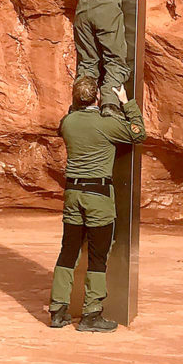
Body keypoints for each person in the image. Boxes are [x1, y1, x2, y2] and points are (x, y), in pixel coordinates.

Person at [49, 75, 146, 332]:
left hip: (72, 193)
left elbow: (63, 122)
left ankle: (58, 309)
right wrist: (127, 104)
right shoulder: (106, 124)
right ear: (98, 97)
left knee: (68, 250)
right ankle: (91, 313)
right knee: (97, 254)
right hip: (98, 196)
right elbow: (138, 134)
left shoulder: (68, 122)